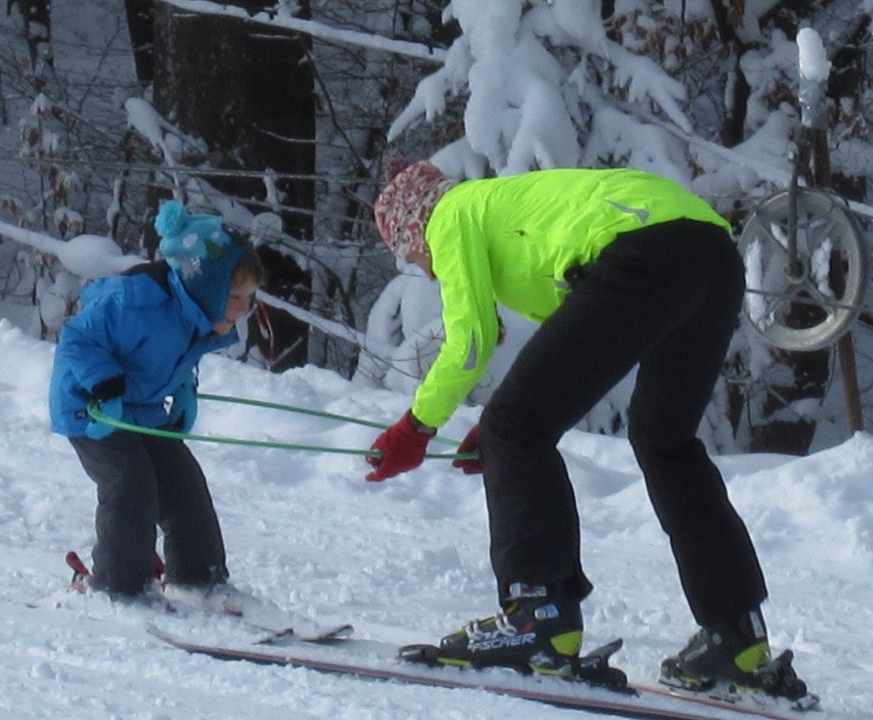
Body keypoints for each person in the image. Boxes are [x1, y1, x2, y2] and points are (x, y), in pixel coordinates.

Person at [366, 161, 802, 694]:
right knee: (665, 444)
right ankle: (738, 638)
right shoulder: (513, 208)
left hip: (644, 252)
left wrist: (416, 428)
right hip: (711, 255)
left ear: (415, 225)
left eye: (412, 256)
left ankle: (537, 618)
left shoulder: (452, 213)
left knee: (514, 426)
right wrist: (519, 418)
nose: (425, 269)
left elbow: (471, 341)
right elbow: (582, 335)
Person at [50, 200, 263, 601]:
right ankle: (119, 585)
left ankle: (199, 579)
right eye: (234, 296)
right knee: (131, 483)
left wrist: (183, 390)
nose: (244, 308)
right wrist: (104, 385)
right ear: (204, 285)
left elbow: (175, 354)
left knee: (183, 484)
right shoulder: (133, 302)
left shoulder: (193, 311)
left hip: (141, 409)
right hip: (90, 409)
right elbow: (77, 338)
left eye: (249, 297)